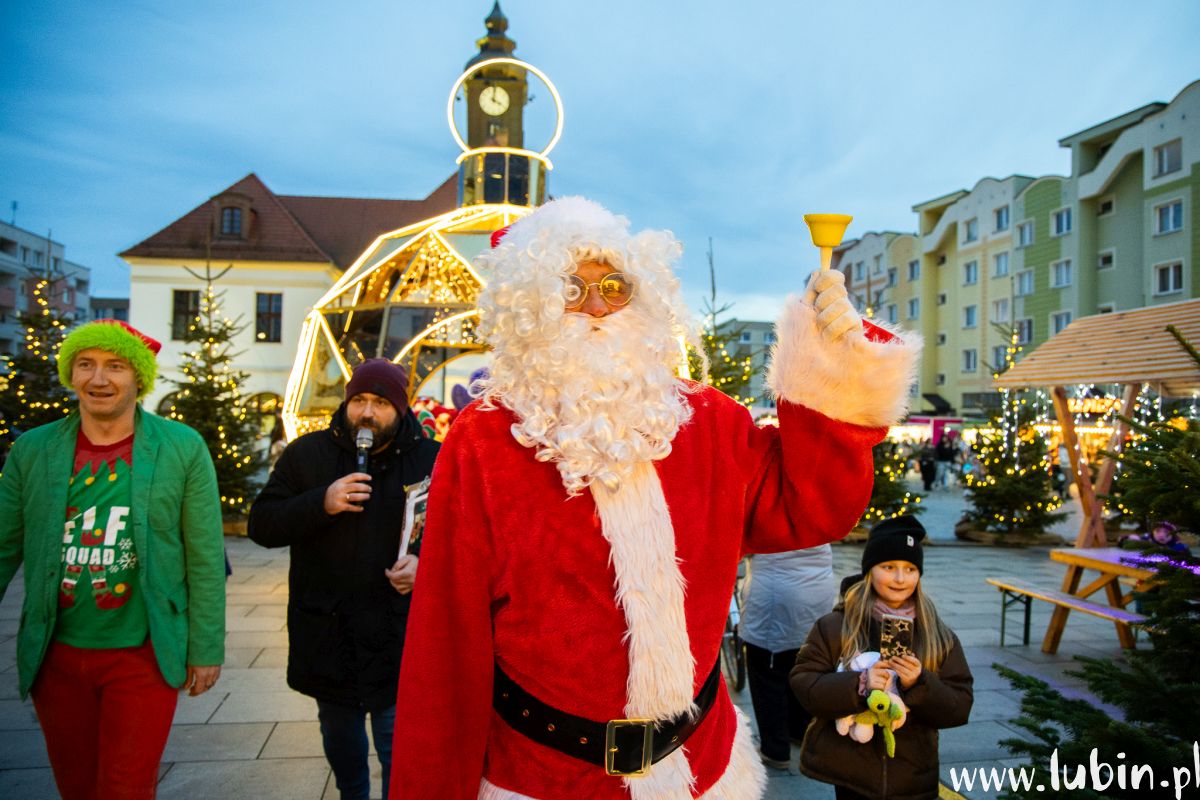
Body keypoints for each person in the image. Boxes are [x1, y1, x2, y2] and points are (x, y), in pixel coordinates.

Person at [389, 197, 922, 799]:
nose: (595, 305)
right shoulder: (483, 441)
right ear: (529, 303)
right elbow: (446, 645)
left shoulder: (709, 422)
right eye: (569, 287)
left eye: (613, 286)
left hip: (701, 768)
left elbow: (812, 506)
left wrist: (831, 365)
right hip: (545, 777)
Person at [0, 319, 226, 799]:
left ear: (138, 378)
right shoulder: (32, 451)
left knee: (124, 788)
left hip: (142, 655)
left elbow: (205, 556)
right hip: (55, 657)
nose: (98, 379)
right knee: (76, 786)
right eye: (86, 365)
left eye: (115, 366)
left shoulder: (181, 448)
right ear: (70, 373)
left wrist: (206, 647)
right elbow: (3, 546)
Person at [248, 359, 439, 800]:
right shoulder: (307, 454)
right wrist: (323, 501)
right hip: (328, 635)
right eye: (359, 401)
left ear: (401, 408)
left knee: (400, 752)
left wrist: (422, 564)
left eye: (380, 403)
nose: (367, 413)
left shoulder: (431, 459)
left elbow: (462, 534)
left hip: (398, 637)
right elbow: (262, 524)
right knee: (343, 747)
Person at [790, 516, 973, 800]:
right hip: (853, 774)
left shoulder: (937, 635)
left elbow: (959, 705)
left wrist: (919, 684)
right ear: (869, 570)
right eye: (888, 567)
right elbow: (804, 684)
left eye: (910, 569)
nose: (900, 579)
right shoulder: (837, 626)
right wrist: (859, 685)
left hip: (913, 775)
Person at [739, 545, 837, 770]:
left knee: (768, 675)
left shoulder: (770, 509)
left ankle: (775, 749)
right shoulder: (819, 509)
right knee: (805, 665)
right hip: (817, 591)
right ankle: (800, 730)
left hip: (775, 595)